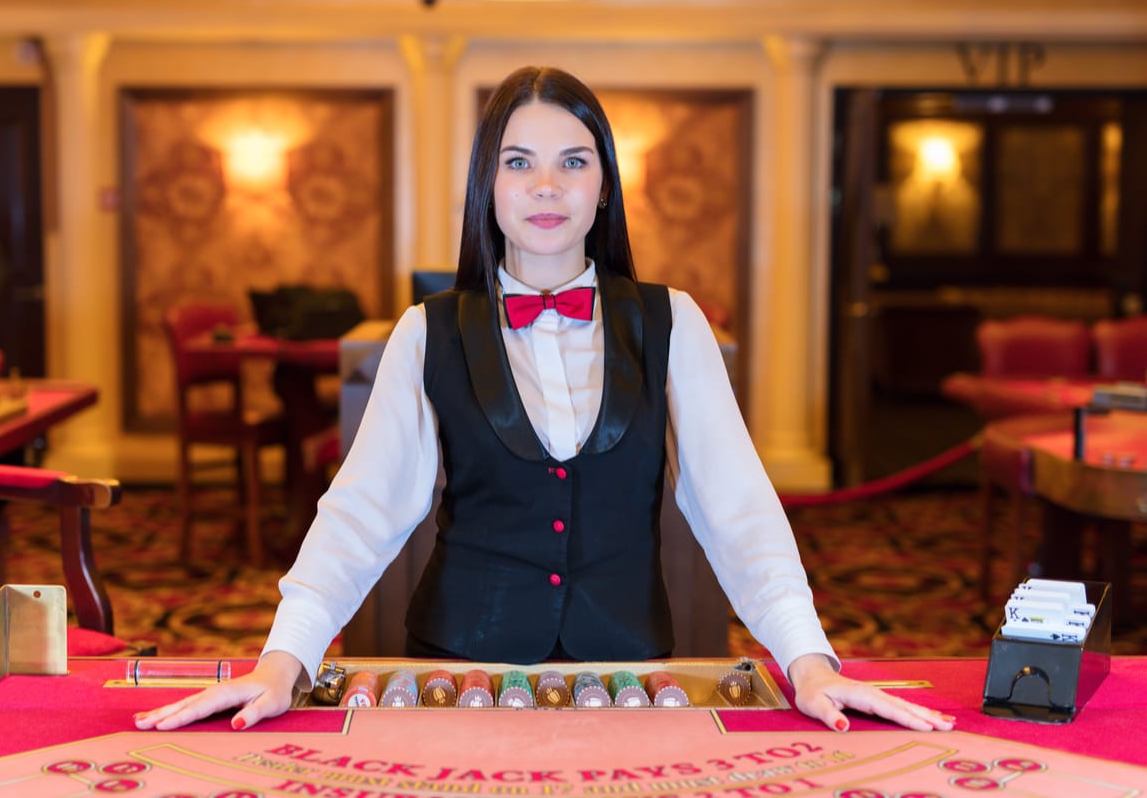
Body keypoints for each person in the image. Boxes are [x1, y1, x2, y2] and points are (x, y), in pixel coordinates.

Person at [136, 65, 955, 735]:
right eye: (518, 161)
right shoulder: (427, 332)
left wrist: (808, 661)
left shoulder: (675, 321)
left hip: (632, 675)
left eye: (574, 160)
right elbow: (362, 511)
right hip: (462, 674)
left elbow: (736, 505)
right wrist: (284, 662)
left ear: (605, 185)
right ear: (487, 185)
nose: (546, 187)